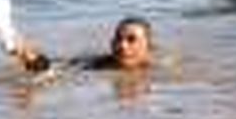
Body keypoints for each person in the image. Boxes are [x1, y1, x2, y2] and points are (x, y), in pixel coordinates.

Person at [11, 16, 154, 74]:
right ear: (111, 44)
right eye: (118, 39)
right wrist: (32, 59)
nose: (122, 45)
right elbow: (57, 67)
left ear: (148, 46)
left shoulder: (159, 71)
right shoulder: (99, 64)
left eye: (131, 39)